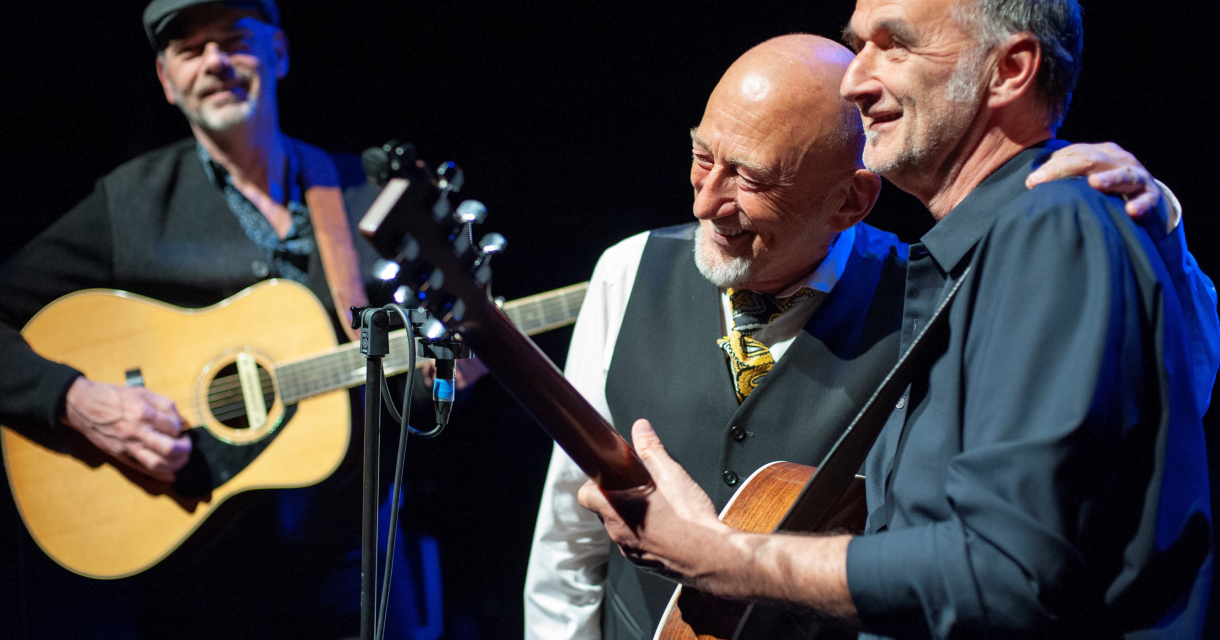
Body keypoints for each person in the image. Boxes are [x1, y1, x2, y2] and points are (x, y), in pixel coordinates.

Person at [526, 28, 1215, 640]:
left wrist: (1159, 238)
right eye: (703, 157)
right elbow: (567, 538)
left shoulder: (933, 289)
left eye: (750, 178)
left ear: (850, 202)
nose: (706, 201)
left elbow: (1167, 404)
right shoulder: (628, 270)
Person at [0, 1, 425, 637]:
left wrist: (444, 376)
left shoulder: (360, 194)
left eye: (233, 41)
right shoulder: (130, 202)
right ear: (167, 81)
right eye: (190, 51)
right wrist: (74, 398)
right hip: (198, 587)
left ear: (278, 53)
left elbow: (420, 390)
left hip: (353, 577)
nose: (215, 64)